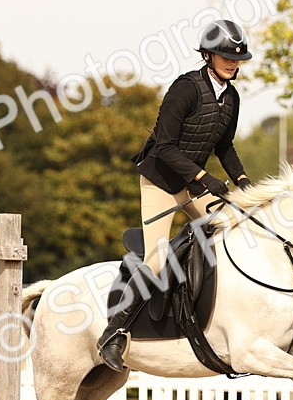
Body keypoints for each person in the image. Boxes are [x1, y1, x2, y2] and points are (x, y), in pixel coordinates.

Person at [97, 19, 254, 371]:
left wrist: (243, 180)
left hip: (193, 181)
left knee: (234, 231)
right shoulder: (185, 89)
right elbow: (165, 147)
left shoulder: (231, 97)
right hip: (161, 180)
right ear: (208, 54)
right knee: (154, 261)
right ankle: (114, 332)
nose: (233, 63)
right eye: (227, 56)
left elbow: (224, 146)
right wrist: (203, 176)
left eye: (237, 58)